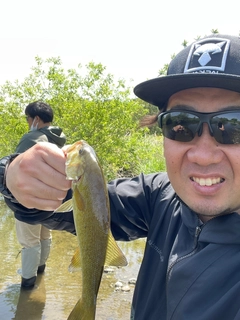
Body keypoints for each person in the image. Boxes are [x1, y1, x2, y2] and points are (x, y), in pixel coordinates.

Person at [1, 33, 240, 318]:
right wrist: (12, 176)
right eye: (180, 124)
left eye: (231, 125)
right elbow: (64, 207)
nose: (203, 154)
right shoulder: (160, 197)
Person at [14, 101, 66, 289]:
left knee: (29, 242)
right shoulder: (58, 138)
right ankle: (40, 273)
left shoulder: (32, 138)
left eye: (28, 118)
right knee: (45, 235)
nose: (27, 122)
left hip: (29, 199)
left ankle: (27, 286)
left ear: (36, 119)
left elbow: (15, 169)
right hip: (50, 200)